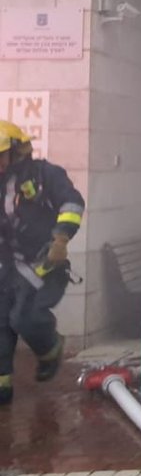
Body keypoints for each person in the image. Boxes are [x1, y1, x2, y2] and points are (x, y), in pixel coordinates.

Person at [0, 121, 85, 405]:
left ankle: (50, 349)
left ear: (17, 150)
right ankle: (2, 384)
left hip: (44, 263)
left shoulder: (44, 175)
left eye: (1, 155)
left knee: (23, 317)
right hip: (6, 267)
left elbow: (72, 202)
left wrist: (61, 239)